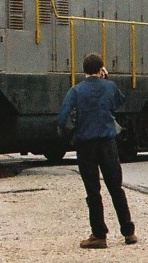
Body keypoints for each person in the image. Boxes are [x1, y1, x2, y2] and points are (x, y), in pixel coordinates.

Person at [57, 53, 137, 249]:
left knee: (93, 191)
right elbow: (119, 102)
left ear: (84, 70)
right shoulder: (110, 87)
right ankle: (128, 232)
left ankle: (99, 236)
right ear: (101, 69)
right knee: (116, 188)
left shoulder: (76, 91)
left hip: (86, 146)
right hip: (108, 144)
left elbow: (62, 118)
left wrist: (72, 133)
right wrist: (106, 79)